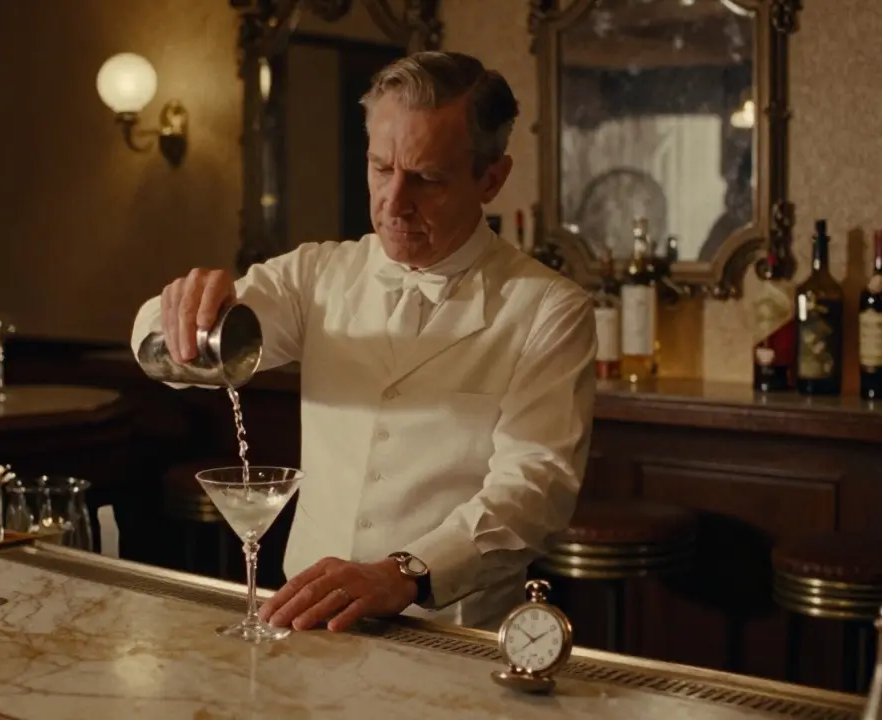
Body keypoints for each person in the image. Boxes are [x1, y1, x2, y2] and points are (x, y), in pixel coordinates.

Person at [130, 51, 597, 631]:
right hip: (304, 617)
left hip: (451, 630)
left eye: (427, 179)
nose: (395, 202)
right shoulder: (316, 276)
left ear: (491, 179)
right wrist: (178, 311)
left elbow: (535, 488)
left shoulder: (549, 309)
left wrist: (406, 572)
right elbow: (167, 358)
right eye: (381, 168)